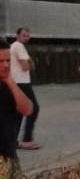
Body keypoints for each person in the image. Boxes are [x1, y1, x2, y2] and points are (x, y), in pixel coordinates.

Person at [1, 39, 33, 178]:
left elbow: (27, 109)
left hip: (10, 155)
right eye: (0, 62)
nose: (6, 65)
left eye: (8, 60)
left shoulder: (8, 86)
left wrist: (10, 81)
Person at [11, 27, 40, 150]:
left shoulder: (14, 46)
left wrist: (29, 62)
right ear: (17, 35)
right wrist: (30, 63)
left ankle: (14, 140)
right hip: (22, 83)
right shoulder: (19, 46)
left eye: (28, 36)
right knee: (33, 108)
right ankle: (27, 139)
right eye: (24, 35)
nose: (26, 38)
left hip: (17, 82)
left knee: (19, 112)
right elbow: (26, 66)